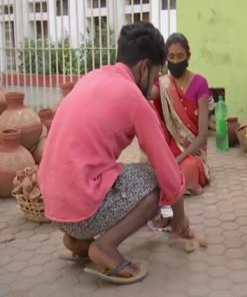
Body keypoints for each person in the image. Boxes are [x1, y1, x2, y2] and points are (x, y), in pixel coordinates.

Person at [38, 22, 192, 284]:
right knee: (154, 180)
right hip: (79, 206)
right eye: (156, 75)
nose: (155, 84)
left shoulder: (92, 77)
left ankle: (78, 241)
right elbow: (166, 168)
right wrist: (180, 219)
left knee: (109, 171)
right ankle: (105, 247)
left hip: (52, 207)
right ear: (144, 67)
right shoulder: (134, 98)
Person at [149, 33, 210, 195]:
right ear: (166, 58)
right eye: (171, 57)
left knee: (187, 169)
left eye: (180, 56)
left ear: (188, 56)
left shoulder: (200, 83)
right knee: (155, 171)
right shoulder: (163, 84)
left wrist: (180, 158)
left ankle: (173, 187)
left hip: (192, 152)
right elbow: (147, 94)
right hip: (170, 150)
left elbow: (203, 136)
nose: (176, 61)